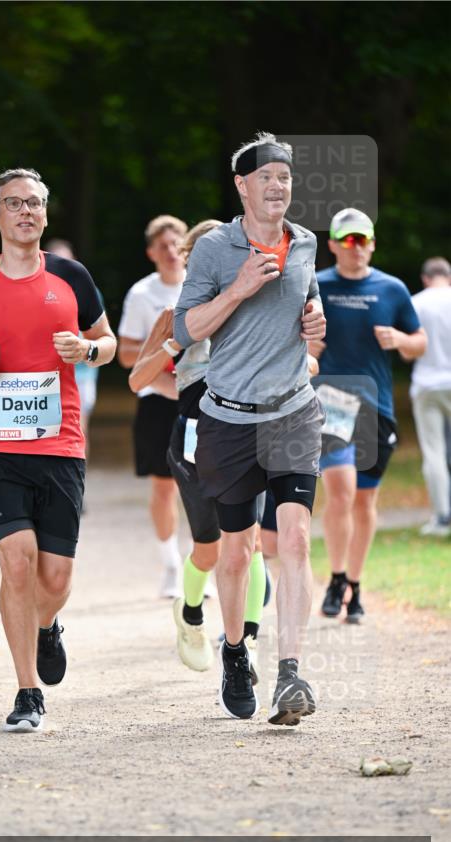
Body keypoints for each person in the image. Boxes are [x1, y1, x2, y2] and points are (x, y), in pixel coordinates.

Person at [0, 167, 116, 733]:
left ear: (45, 213)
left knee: (54, 579)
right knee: (17, 561)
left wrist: (84, 348)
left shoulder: (72, 276)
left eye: (34, 203)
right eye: (14, 204)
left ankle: (45, 626)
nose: (26, 212)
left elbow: (109, 345)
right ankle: (27, 690)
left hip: (60, 445)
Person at [174, 132, 327, 726]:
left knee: (292, 540)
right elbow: (186, 330)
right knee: (235, 553)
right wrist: (238, 287)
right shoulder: (214, 248)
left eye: (285, 178)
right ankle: (235, 652)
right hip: (228, 419)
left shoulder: (307, 242)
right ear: (242, 186)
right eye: (266, 177)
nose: (278, 187)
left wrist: (315, 321)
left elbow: (309, 314)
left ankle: (290, 673)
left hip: (292, 409)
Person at [129, 220, 268, 675]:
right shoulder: (174, 312)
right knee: (209, 550)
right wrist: (176, 349)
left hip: (248, 436)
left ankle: (242, 646)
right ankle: (189, 615)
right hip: (193, 443)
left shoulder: (257, 309)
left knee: (249, 547)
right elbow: (137, 380)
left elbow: (304, 360)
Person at [313, 208, 427, 622]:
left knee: (364, 501)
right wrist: (306, 350)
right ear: (333, 246)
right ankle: (336, 576)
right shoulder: (317, 285)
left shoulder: (392, 289)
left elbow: (420, 342)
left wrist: (400, 340)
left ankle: (355, 587)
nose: (355, 247)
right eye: (347, 240)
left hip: (377, 406)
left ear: (372, 244)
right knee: (340, 492)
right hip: (332, 402)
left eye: (362, 239)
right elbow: (289, 336)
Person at [118, 215, 188, 598]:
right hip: (157, 401)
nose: (171, 251)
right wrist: (160, 365)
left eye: (177, 243)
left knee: (208, 488)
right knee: (164, 489)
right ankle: (171, 563)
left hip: (202, 399)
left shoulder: (205, 286)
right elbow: (126, 353)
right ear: (151, 253)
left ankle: (201, 564)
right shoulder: (142, 295)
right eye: (162, 246)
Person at [44, 239, 100, 470]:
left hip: (81, 373)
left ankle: (78, 478)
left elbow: (100, 336)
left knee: (78, 428)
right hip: (45, 373)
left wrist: (84, 347)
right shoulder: (35, 290)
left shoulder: (87, 290)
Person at [410, 257, 451, 536]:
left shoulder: (416, 302)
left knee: (434, 453)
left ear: (425, 278)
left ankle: (442, 517)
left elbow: (408, 348)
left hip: (426, 384)